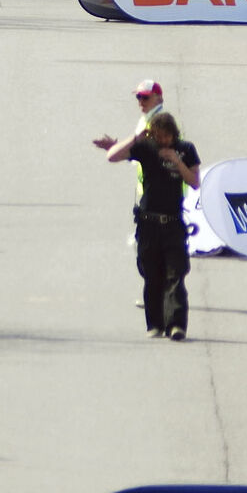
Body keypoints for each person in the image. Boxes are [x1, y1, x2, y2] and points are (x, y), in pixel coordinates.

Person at [104, 111, 199, 338]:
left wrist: (176, 161)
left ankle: (176, 325)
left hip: (173, 222)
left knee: (175, 274)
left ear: (174, 134)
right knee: (152, 275)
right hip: (148, 222)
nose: (164, 141)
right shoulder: (147, 148)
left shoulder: (186, 149)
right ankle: (155, 324)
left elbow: (195, 182)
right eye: (159, 137)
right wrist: (136, 138)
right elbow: (112, 156)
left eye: (168, 137)